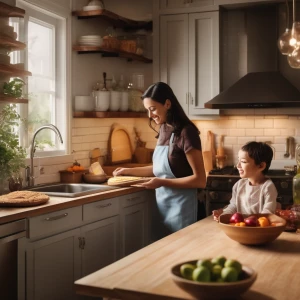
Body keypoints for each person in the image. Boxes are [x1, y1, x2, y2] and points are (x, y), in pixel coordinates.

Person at [113, 82, 206, 239]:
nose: (150, 115)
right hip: (164, 210)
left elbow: (200, 180)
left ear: (167, 104)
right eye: (147, 110)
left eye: (153, 109)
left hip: (187, 211)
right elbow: (160, 169)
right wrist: (128, 171)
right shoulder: (164, 129)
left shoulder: (187, 133)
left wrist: (162, 182)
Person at [212, 141, 278, 221]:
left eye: (243, 162)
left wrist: (249, 220)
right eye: (238, 160)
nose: (238, 165)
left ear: (261, 166)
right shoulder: (239, 185)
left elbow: (268, 213)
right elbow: (233, 206)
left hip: (259, 230)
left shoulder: (268, 187)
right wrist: (223, 215)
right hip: (240, 227)